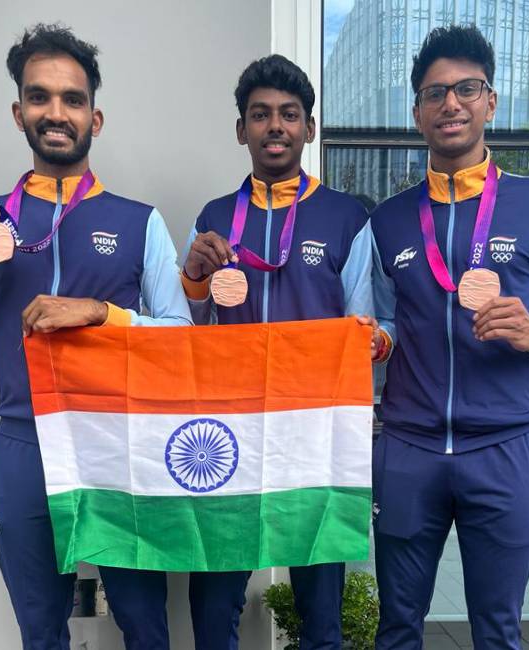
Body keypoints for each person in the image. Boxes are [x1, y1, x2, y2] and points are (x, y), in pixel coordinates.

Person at [0, 23, 191, 650]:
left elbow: (180, 339)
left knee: (145, 627)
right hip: (24, 446)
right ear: (18, 110)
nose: (57, 112)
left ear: (94, 118)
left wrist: (102, 314)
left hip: (119, 443)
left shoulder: (140, 222)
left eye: (72, 99)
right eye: (41, 96)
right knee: (39, 631)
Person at [171, 53, 374, 649]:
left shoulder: (345, 218)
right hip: (227, 435)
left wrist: (370, 339)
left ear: (309, 127)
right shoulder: (213, 220)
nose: (275, 126)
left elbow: (362, 330)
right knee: (213, 614)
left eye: (289, 114)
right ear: (242, 130)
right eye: (260, 115)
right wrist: (193, 280)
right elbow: (185, 329)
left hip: (312, 437)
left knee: (321, 619)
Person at [367, 25, 529, 649]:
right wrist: (376, 343)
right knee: (397, 630)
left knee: (498, 633)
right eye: (435, 92)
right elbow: (387, 319)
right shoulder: (387, 219)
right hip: (409, 448)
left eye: (466, 88)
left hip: (505, 445)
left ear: (491, 102)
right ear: (417, 111)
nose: (451, 103)